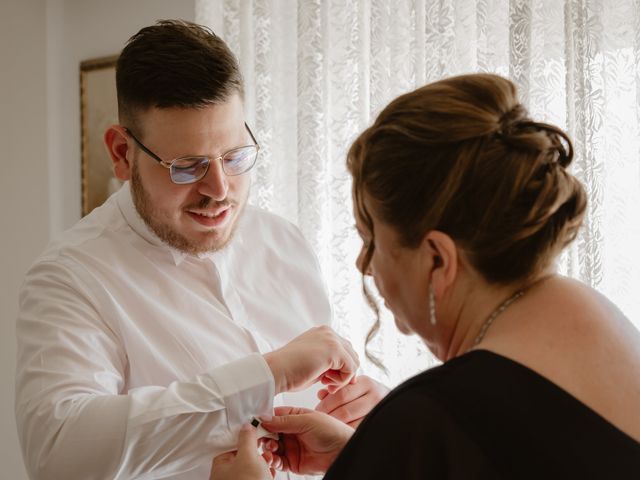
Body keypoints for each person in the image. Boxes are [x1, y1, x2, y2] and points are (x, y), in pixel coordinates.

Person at [212, 73, 640, 479]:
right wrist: (363, 457)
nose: (364, 264)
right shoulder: (606, 326)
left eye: (371, 239)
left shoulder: (426, 422)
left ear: (437, 258)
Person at [15, 20, 388, 480]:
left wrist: (364, 416)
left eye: (234, 157)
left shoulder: (284, 242)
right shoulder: (70, 277)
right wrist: (266, 374)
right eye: (187, 167)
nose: (218, 190)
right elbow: (57, 456)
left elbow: (316, 412)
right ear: (120, 153)